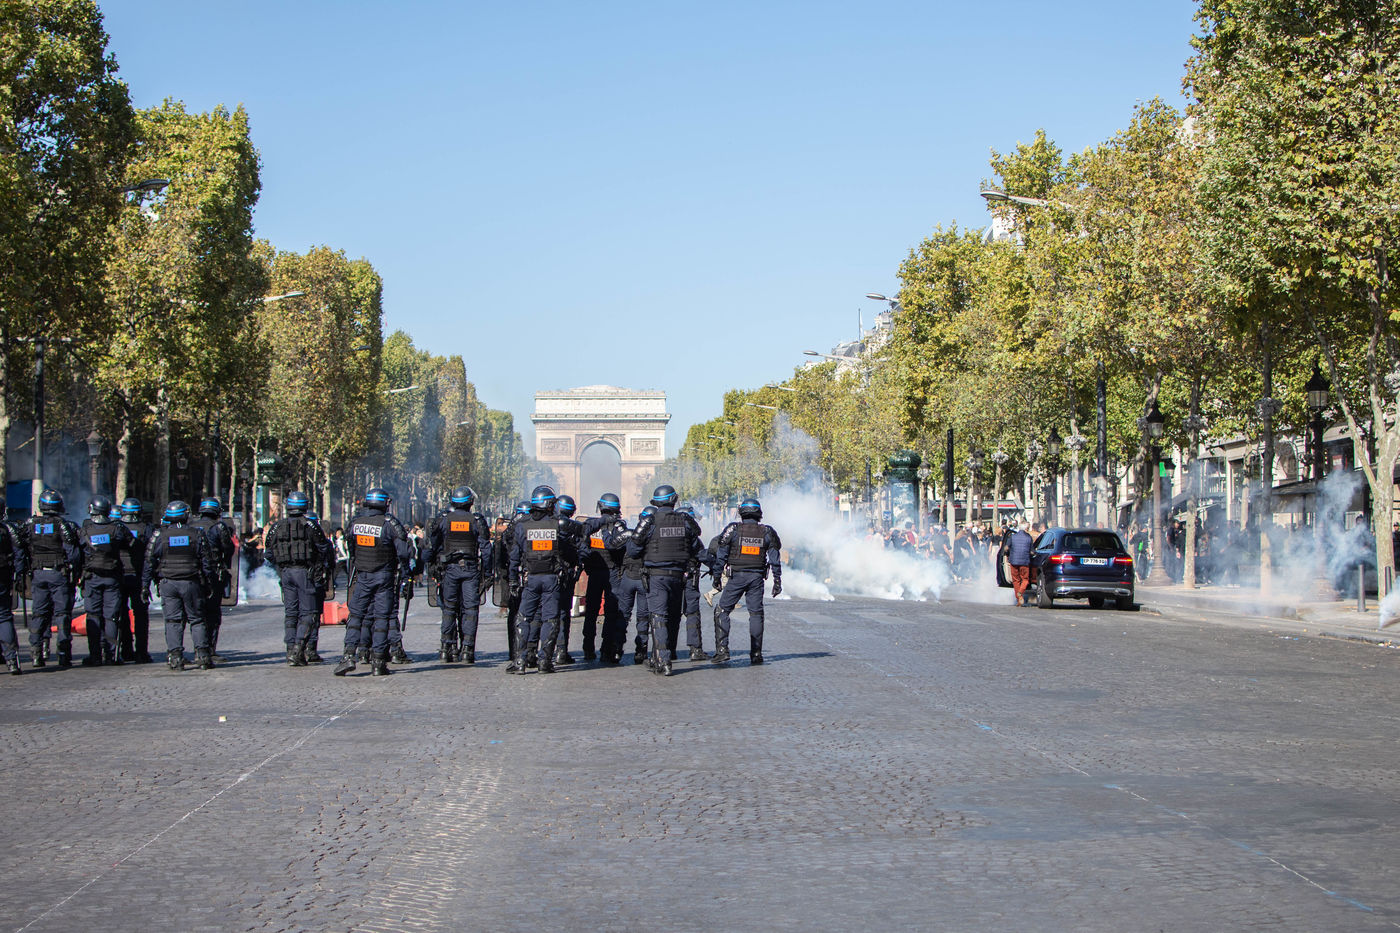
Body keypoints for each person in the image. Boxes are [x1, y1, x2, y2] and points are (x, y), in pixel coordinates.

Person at [334, 488, 410, 677]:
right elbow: (403, 553)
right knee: (382, 618)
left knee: (355, 616)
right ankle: (378, 662)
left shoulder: (356, 522)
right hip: (384, 576)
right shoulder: (390, 524)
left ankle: (348, 656)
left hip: (362, 576)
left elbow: (351, 548)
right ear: (385, 504)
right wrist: (405, 574)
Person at [629, 484, 703, 676]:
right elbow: (696, 546)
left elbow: (633, 550)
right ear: (674, 500)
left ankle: (663, 660)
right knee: (672, 617)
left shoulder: (650, 521)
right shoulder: (685, 521)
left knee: (658, 617)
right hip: (678, 577)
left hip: (656, 576)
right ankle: (667, 654)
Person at [143, 500, 218, 670]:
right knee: (197, 620)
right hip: (191, 582)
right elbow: (207, 562)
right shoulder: (197, 534)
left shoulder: (159, 535)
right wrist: (209, 583)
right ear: (186, 515)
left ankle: (175, 657)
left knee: (172, 621)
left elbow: (149, 562)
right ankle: (203, 656)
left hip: (168, 583)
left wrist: (145, 585)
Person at [263, 491, 332, 667]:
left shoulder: (276, 527)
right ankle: (298, 650)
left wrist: (281, 566)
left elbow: (268, 553)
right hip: (304, 572)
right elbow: (324, 548)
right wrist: (318, 567)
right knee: (309, 613)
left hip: (286, 573)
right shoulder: (311, 525)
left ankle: (290, 650)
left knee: (291, 613)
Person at [711, 496, 782, 665]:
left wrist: (716, 577)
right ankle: (756, 654)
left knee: (722, 611)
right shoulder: (767, 532)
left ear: (741, 512)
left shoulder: (733, 529)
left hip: (737, 577)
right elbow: (775, 559)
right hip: (757, 578)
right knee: (756, 614)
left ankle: (722, 651)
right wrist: (777, 580)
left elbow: (721, 556)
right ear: (759, 513)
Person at [506, 485, 569, 674]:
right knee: (550, 619)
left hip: (530, 578)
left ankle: (519, 661)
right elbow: (567, 550)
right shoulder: (557, 524)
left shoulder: (522, 525)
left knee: (523, 618)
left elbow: (514, 557)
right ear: (549, 504)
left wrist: (513, 580)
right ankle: (544, 662)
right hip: (551, 579)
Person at [425, 485, 490, 665]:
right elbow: (486, 550)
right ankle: (467, 650)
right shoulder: (476, 520)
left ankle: (446, 648)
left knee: (449, 609)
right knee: (470, 610)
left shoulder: (444, 519)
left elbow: (432, 546)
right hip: (470, 569)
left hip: (450, 570)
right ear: (470, 502)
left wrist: (430, 565)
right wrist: (488, 573)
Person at [20, 488, 82, 669]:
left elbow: (22, 548)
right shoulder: (63, 525)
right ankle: (63, 654)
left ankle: (36, 653)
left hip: (38, 574)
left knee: (39, 614)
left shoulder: (30, 524)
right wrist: (75, 574)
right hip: (58, 574)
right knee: (62, 615)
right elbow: (73, 554)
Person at [77, 494, 134, 666]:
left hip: (92, 577)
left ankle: (95, 655)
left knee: (93, 616)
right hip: (112, 577)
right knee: (111, 617)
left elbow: (77, 553)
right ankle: (111, 655)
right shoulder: (116, 528)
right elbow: (130, 544)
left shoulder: (86, 529)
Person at [579, 492, 626, 662]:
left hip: (595, 573)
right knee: (611, 612)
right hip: (613, 573)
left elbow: (582, 544)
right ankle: (607, 649)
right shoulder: (619, 526)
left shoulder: (591, 525)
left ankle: (588, 649)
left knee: (591, 612)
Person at [188, 497, 236, 662]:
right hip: (214, 573)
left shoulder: (191, 526)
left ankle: (198, 649)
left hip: (194, 574)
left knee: (196, 614)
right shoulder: (219, 527)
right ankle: (209, 649)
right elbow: (228, 548)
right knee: (212, 613)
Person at [608, 506, 654, 665]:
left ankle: (616, 648)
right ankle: (641, 650)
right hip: (644, 580)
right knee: (643, 617)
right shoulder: (654, 538)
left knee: (623, 615)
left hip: (627, 577)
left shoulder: (630, 535)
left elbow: (612, 545)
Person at [117, 498, 153, 663]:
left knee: (121, 614)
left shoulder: (116, 527)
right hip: (139, 577)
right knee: (141, 616)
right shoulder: (146, 528)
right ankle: (141, 652)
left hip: (119, 576)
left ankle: (126, 650)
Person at [551, 494, 584, 665]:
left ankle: (536, 653)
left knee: (544, 614)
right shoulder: (573, 528)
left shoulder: (546, 524)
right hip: (566, 574)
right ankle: (561, 651)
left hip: (547, 574)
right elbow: (582, 550)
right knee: (564, 613)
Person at [677, 504, 709, 661]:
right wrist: (716, 567)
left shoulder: (667, 534)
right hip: (690, 577)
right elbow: (703, 555)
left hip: (670, 578)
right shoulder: (693, 537)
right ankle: (695, 649)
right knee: (692, 612)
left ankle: (668, 649)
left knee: (670, 612)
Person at [304, 511, 336, 663]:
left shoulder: (292, 538)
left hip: (297, 582)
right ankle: (310, 650)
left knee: (295, 616)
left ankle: (295, 649)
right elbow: (331, 563)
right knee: (314, 616)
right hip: (315, 581)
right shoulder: (323, 542)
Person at [0, 517, 27, 675]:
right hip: (2, 577)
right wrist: (18, 575)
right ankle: (11, 660)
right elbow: (19, 553)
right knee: (3, 617)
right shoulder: (7, 529)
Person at [1003, 520, 1035, 607]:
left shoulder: (1013, 537)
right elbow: (1032, 551)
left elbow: (1006, 548)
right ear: (1026, 528)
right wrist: (1033, 553)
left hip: (1014, 561)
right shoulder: (1028, 538)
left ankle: (1018, 599)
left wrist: (1007, 553)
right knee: (1025, 579)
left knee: (1016, 580)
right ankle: (1020, 592)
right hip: (1025, 562)